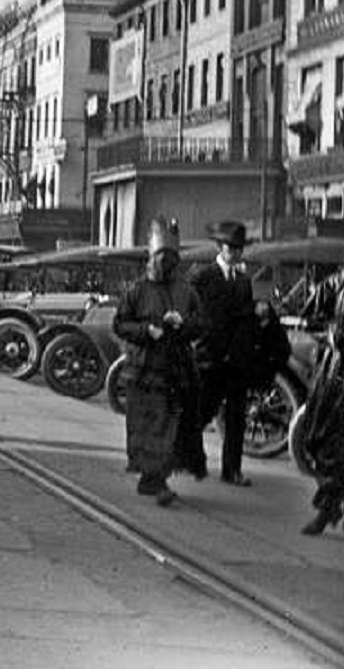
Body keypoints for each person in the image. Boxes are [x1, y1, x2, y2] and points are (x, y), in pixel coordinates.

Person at [113, 216, 205, 506]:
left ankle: (156, 479)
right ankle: (153, 479)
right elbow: (120, 324)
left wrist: (183, 324)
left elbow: (201, 324)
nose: (166, 262)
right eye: (161, 256)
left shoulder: (186, 290)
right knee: (150, 427)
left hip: (175, 369)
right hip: (145, 370)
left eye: (171, 257)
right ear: (151, 258)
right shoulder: (137, 290)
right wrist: (146, 330)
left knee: (171, 427)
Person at [298, 209, 344, 548]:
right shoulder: (333, 284)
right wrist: (339, 329)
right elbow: (308, 318)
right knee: (329, 443)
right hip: (337, 374)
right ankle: (327, 509)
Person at [188, 220, 258, 487]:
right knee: (203, 412)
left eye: (239, 248)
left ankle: (232, 470)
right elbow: (190, 311)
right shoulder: (202, 276)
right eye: (231, 247)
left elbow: (246, 318)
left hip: (236, 360)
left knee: (236, 418)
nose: (236, 253)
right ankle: (186, 458)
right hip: (210, 358)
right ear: (220, 247)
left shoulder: (243, 281)